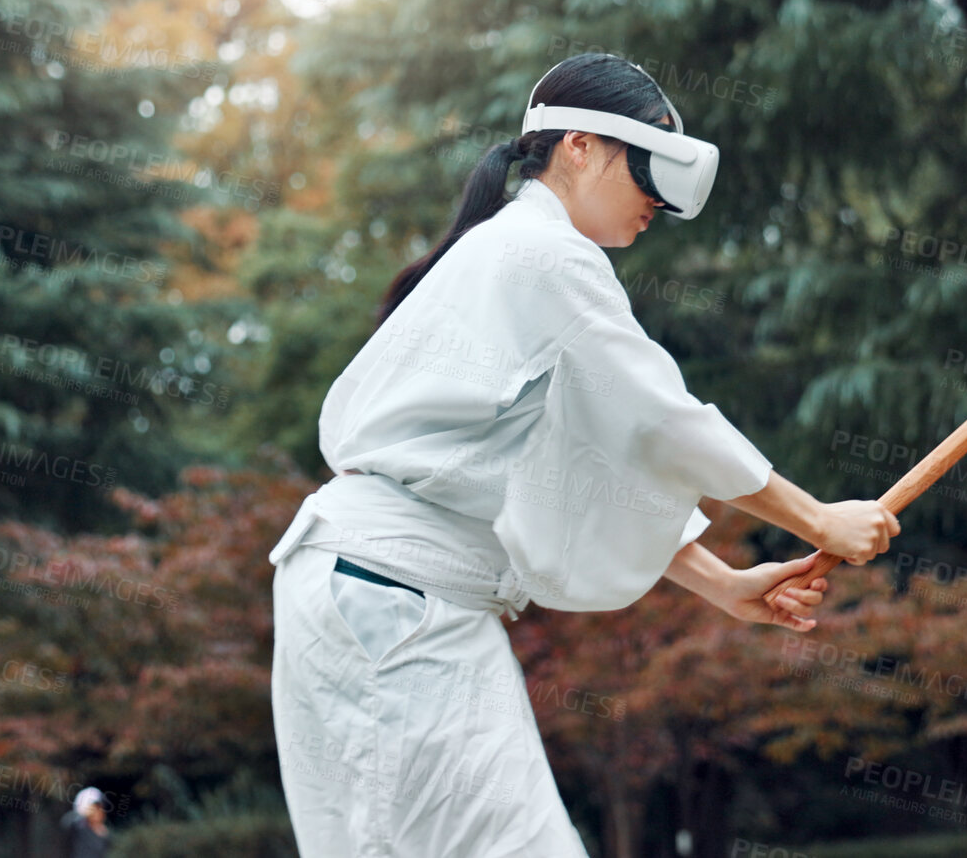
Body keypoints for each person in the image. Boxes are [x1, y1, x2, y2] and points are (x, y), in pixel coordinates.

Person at [268, 52, 900, 856]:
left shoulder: (521, 256)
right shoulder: (546, 255)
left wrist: (724, 585)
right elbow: (658, 419)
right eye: (647, 170)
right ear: (578, 146)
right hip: (392, 598)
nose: (657, 204)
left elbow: (577, 456)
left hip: (379, 595)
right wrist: (815, 517)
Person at [59, 786, 109, 858]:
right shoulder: (78, 829)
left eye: (100, 808)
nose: (100, 811)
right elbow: (67, 823)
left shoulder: (104, 834)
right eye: (95, 808)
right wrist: (82, 813)